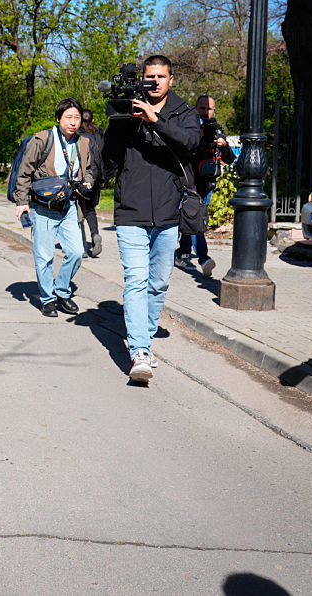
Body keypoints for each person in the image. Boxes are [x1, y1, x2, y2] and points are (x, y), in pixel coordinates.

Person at [103, 54, 199, 384]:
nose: (155, 81)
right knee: (136, 280)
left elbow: (190, 144)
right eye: (150, 76)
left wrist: (155, 119)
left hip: (170, 213)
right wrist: (123, 119)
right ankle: (140, 350)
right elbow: (110, 156)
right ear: (143, 78)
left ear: (171, 79)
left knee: (158, 283)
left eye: (161, 76)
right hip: (131, 211)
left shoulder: (183, 112)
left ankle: (144, 339)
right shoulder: (129, 107)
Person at [13, 97, 96, 317]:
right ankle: (48, 299)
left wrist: (87, 181)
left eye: (77, 118)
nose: (73, 122)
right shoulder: (42, 140)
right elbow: (24, 173)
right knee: (44, 256)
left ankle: (61, 290)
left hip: (69, 205)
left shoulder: (83, 143)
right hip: (43, 206)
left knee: (77, 252)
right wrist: (22, 202)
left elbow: (88, 170)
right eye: (68, 117)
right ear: (58, 118)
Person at [174, 95, 235, 278]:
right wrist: (198, 138)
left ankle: (183, 253)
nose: (205, 112)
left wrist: (223, 145)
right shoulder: (189, 126)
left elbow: (229, 159)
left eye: (209, 109)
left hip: (207, 184)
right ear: (195, 108)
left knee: (192, 219)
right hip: (190, 183)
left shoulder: (217, 130)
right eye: (202, 108)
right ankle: (203, 258)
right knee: (195, 220)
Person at [78, 109, 105, 257]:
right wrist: (103, 179)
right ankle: (95, 235)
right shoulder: (100, 134)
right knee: (91, 209)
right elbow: (105, 156)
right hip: (96, 177)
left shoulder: (78, 135)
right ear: (93, 120)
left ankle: (82, 247)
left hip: (83, 177)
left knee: (79, 211)